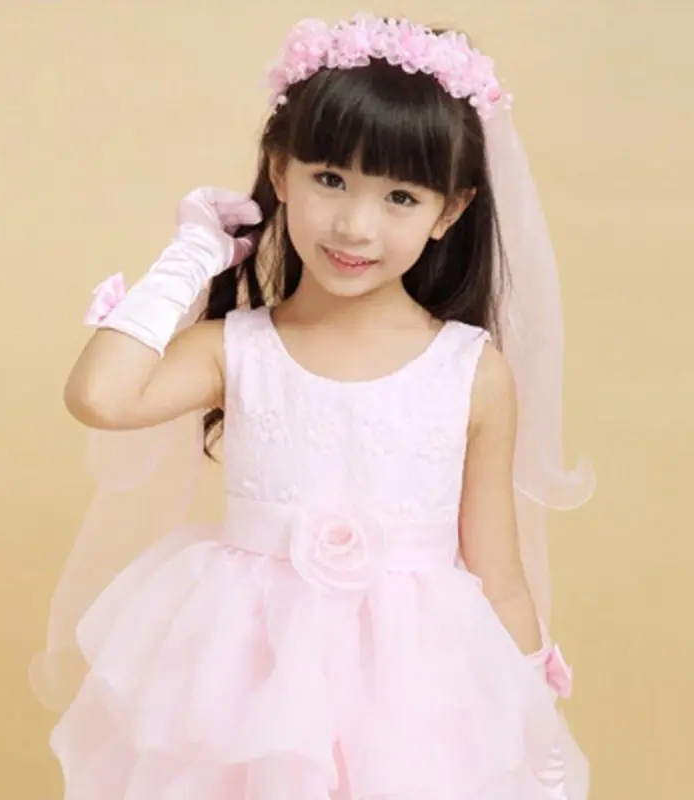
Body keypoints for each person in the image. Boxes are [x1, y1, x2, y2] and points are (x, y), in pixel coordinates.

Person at [32, 13, 595, 799]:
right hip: (247, 686)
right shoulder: (235, 348)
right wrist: (189, 259)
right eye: (330, 179)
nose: (355, 226)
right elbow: (100, 396)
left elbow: (499, 576)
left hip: (416, 697)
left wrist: (531, 717)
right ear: (281, 169)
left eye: (400, 196)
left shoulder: (471, 372)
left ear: (450, 209)